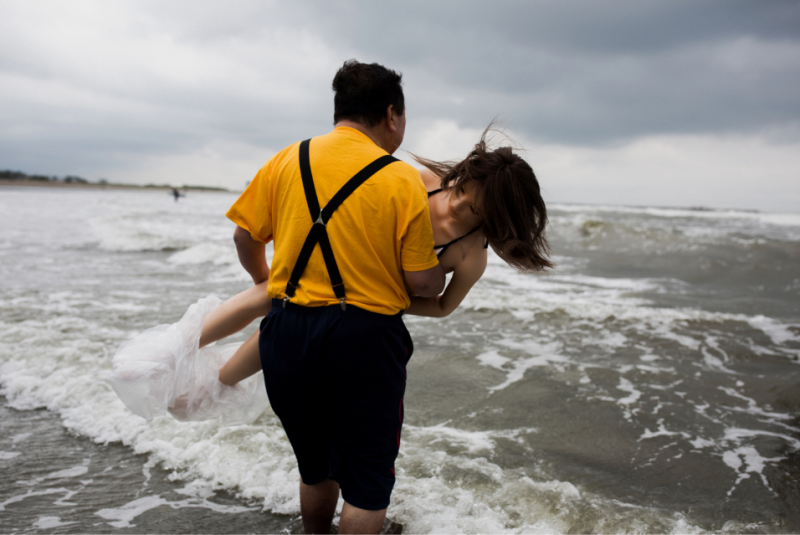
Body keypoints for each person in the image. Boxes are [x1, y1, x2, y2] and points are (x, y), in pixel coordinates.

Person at [224, 60, 445, 534]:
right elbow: (423, 282)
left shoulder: (288, 158)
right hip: (364, 339)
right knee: (367, 483)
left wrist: (270, 287)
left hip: (286, 332)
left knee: (316, 463)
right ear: (392, 114)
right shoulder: (402, 179)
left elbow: (245, 238)